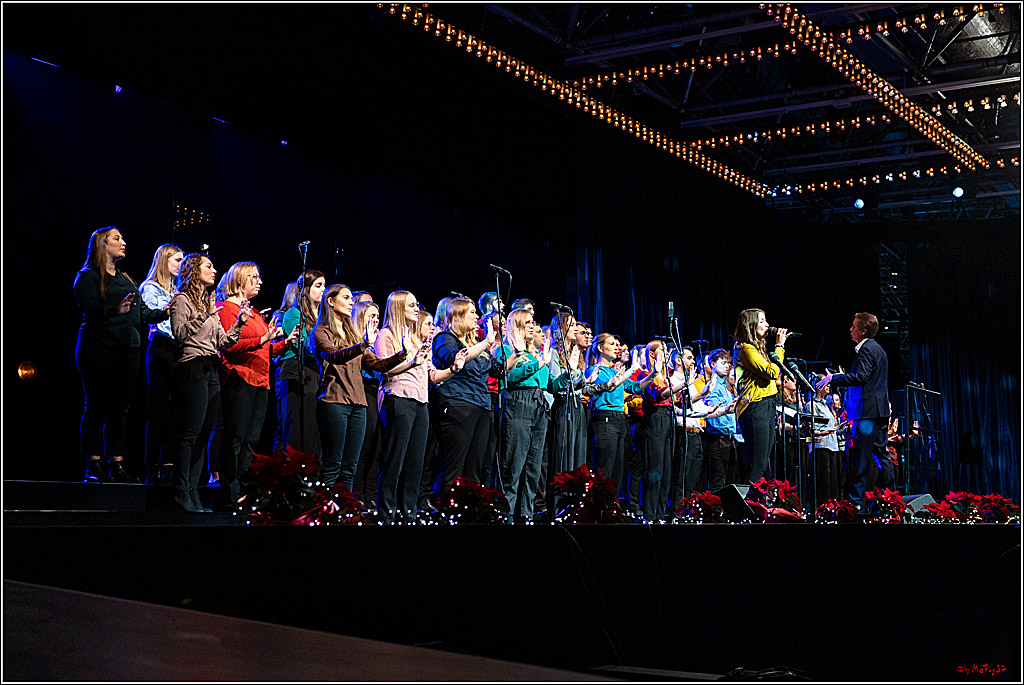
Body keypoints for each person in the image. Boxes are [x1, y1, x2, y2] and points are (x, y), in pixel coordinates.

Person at [74, 226, 168, 484]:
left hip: (129, 348)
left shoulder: (127, 278)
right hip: (99, 346)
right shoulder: (88, 275)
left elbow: (143, 313)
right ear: (102, 245)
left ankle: (117, 465)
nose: (123, 242)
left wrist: (166, 312)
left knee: (121, 409)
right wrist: (115, 309)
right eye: (117, 238)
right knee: (96, 405)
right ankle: (93, 464)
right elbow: (90, 307)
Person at [375, 291, 466, 523]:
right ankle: (386, 514)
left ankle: (408, 513)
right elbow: (384, 369)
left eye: (417, 304)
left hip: (420, 402)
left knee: (416, 461)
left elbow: (432, 376)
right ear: (398, 308)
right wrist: (410, 361)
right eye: (411, 305)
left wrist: (454, 368)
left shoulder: (416, 339)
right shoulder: (386, 335)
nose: (417, 308)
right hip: (398, 399)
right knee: (395, 459)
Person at [168, 253, 245, 511]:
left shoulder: (208, 303)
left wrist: (239, 324)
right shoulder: (182, 300)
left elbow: (222, 342)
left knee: (202, 436)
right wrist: (204, 316)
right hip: (191, 367)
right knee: (189, 434)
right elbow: (179, 334)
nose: (214, 270)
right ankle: (180, 491)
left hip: (212, 369)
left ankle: (193, 491)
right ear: (193, 271)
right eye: (208, 266)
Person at [216, 262, 298, 505]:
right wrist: (264, 337)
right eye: (253, 277)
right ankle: (230, 493)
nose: (259, 281)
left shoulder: (252, 312)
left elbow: (265, 347)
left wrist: (285, 343)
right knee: (236, 437)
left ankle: (245, 489)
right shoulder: (228, 309)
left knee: (251, 440)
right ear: (239, 280)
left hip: (260, 381)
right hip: (240, 377)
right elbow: (230, 346)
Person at [312, 284, 406, 490]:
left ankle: (346, 512)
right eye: (345, 298)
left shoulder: (353, 335)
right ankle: (326, 512)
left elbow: (377, 365)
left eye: (350, 299)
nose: (350, 302)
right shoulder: (321, 331)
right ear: (330, 301)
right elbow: (333, 356)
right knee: (333, 463)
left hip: (358, 404)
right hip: (334, 401)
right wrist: (362, 345)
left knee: (350, 467)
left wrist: (403, 354)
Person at [816, 312, 890, 510]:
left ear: (863, 331)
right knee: (881, 456)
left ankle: (855, 506)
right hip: (879, 411)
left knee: (860, 460)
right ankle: (890, 500)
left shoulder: (866, 349)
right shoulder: (879, 350)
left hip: (866, 413)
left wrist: (835, 379)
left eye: (854, 326)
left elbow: (862, 377)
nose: (850, 329)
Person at [494, 308, 561, 523]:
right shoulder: (505, 350)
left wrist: (569, 377)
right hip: (517, 403)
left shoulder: (535, 354)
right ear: (518, 325)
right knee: (514, 462)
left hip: (539, 406)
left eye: (533, 322)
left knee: (534, 466)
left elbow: (549, 385)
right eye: (529, 322)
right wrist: (539, 364)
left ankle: (526, 512)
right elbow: (510, 378)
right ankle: (508, 514)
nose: (533, 326)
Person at [432, 296, 501, 490]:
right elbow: (454, 358)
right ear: (458, 315)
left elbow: (497, 371)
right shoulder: (445, 338)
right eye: (472, 312)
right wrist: (486, 343)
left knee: (476, 466)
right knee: (454, 465)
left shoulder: (478, 342)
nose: (477, 316)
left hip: (482, 405)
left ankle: (470, 512)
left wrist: (518, 352)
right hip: (458, 404)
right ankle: (446, 511)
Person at [586, 334, 657, 490]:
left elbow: (636, 387)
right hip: (605, 418)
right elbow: (605, 387)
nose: (616, 347)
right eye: (612, 344)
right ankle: (598, 508)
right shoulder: (594, 370)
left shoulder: (613, 371)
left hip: (619, 419)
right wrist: (628, 371)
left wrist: (654, 374)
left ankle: (613, 508)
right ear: (600, 348)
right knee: (604, 468)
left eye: (617, 344)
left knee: (619, 469)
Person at [139, 243, 184, 485]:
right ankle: (152, 465)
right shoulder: (150, 288)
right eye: (177, 260)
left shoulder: (176, 289)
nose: (180, 265)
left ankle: (169, 462)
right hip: (161, 347)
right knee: (158, 410)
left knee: (177, 410)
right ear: (164, 260)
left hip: (178, 350)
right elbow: (158, 318)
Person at [733, 308, 789, 483]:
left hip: (766, 404)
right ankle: (750, 504)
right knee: (758, 463)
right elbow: (772, 372)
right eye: (762, 321)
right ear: (751, 325)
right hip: (755, 406)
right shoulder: (745, 348)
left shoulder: (758, 349)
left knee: (765, 462)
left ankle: (762, 503)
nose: (767, 325)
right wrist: (779, 346)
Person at [275, 270, 326, 455]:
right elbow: (303, 346)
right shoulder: (293, 313)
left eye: (324, 285)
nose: (323, 290)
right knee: (295, 426)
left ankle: (309, 476)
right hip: (296, 370)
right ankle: (291, 476)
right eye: (318, 286)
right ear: (305, 289)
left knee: (312, 428)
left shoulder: (321, 317)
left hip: (314, 373)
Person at [352, 299, 384, 507]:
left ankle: (370, 495)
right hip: (362, 388)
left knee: (377, 446)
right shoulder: (356, 339)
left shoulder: (378, 338)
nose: (376, 320)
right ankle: (356, 496)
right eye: (371, 316)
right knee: (364, 444)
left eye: (377, 317)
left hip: (377, 390)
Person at [699, 349, 740, 494]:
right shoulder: (713, 385)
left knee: (730, 480)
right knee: (718, 480)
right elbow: (710, 409)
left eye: (728, 363)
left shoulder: (726, 386)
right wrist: (726, 409)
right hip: (717, 437)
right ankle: (716, 514)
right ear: (712, 364)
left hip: (729, 437)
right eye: (723, 363)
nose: (727, 366)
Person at [806, 375, 841, 506]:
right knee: (822, 481)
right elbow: (810, 429)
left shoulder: (826, 406)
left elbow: (828, 427)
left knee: (832, 481)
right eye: (825, 384)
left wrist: (837, 428)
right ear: (817, 386)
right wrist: (822, 432)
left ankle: (832, 508)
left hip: (832, 445)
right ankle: (820, 508)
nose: (828, 386)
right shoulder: (811, 405)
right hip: (821, 446)